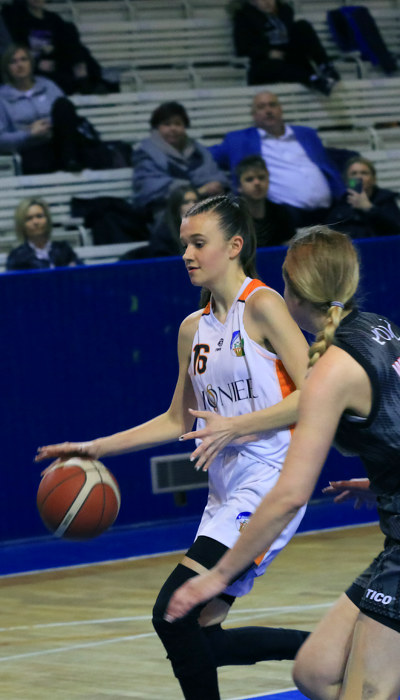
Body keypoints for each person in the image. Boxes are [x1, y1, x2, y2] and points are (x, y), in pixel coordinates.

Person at [166, 226, 400, 699]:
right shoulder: (381, 328)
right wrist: (393, 478)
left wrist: (217, 578)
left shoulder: (331, 370)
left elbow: (290, 496)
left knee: (362, 693)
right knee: (315, 672)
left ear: (293, 292)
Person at [36, 195, 313, 700]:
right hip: (224, 495)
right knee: (200, 631)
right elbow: (176, 419)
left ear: (234, 246)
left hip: (271, 484)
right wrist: (95, 448)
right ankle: (330, 650)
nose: (186, 254)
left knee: (172, 609)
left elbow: (317, 394)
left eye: (198, 243)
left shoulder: (263, 305)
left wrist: (236, 425)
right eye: (184, 243)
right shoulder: (192, 329)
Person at [210, 90, 344, 228]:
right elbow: (206, 156)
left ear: (280, 109)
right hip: (285, 217)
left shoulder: (306, 134)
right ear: (254, 115)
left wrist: (353, 165)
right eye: (261, 107)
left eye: (272, 105)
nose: (268, 110)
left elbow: (330, 158)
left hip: (331, 210)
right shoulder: (238, 140)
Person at [0, 44, 116, 174]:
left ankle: (71, 160)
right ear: (6, 68)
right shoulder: (2, 98)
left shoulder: (47, 85)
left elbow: (65, 114)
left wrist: (48, 126)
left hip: (60, 141)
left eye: (23, 59)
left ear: (31, 63)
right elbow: (1, 139)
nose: (19, 65)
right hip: (31, 149)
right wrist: (28, 134)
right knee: (38, 162)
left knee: (63, 104)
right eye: (13, 62)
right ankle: (70, 162)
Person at [132, 101, 229, 221]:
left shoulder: (198, 150)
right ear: (157, 127)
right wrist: (197, 190)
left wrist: (215, 185)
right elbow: (150, 186)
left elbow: (214, 174)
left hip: (202, 206)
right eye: (167, 124)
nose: (173, 128)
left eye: (178, 124)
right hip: (164, 211)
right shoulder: (146, 152)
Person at [1, 0, 117, 95]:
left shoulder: (53, 19)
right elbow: (14, 49)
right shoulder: (17, 18)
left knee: (70, 32)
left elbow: (67, 47)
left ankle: (83, 75)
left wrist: (75, 61)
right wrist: (36, 62)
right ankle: (85, 82)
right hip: (33, 66)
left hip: (55, 63)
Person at [228, 0, 340, 96]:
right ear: (252, 1)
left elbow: (290, 38)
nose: (267, 2)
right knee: (274, 65)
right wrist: (268, 53)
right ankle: (313, 79)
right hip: (264, 64)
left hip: (287, 57)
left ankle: (326, 68)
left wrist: (276, 15)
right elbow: (242, 48)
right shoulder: (243, 17)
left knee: (302, 26)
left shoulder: (284, 10)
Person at [328, 156, 400, 238]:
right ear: (346, 180)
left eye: (364, 173)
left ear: (373, 179)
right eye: (354, 173)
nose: (359, 177)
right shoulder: (339, 203)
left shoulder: (386, 200)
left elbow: (395, 230)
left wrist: (369, 208)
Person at [6, 196, 82, 270]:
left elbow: (81, 272)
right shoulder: (17, 257)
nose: (35, 222)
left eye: (39, 216)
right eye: (29, 218)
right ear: (22, 225)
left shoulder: (63, 249)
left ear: (47, 219)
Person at [236, 155, 295, 247]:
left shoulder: (281, 213)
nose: (257, 183)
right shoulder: (232, 217)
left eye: (261, 177)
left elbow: (290, 246)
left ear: (268, 181)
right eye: (249, 179)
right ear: (239, 187)